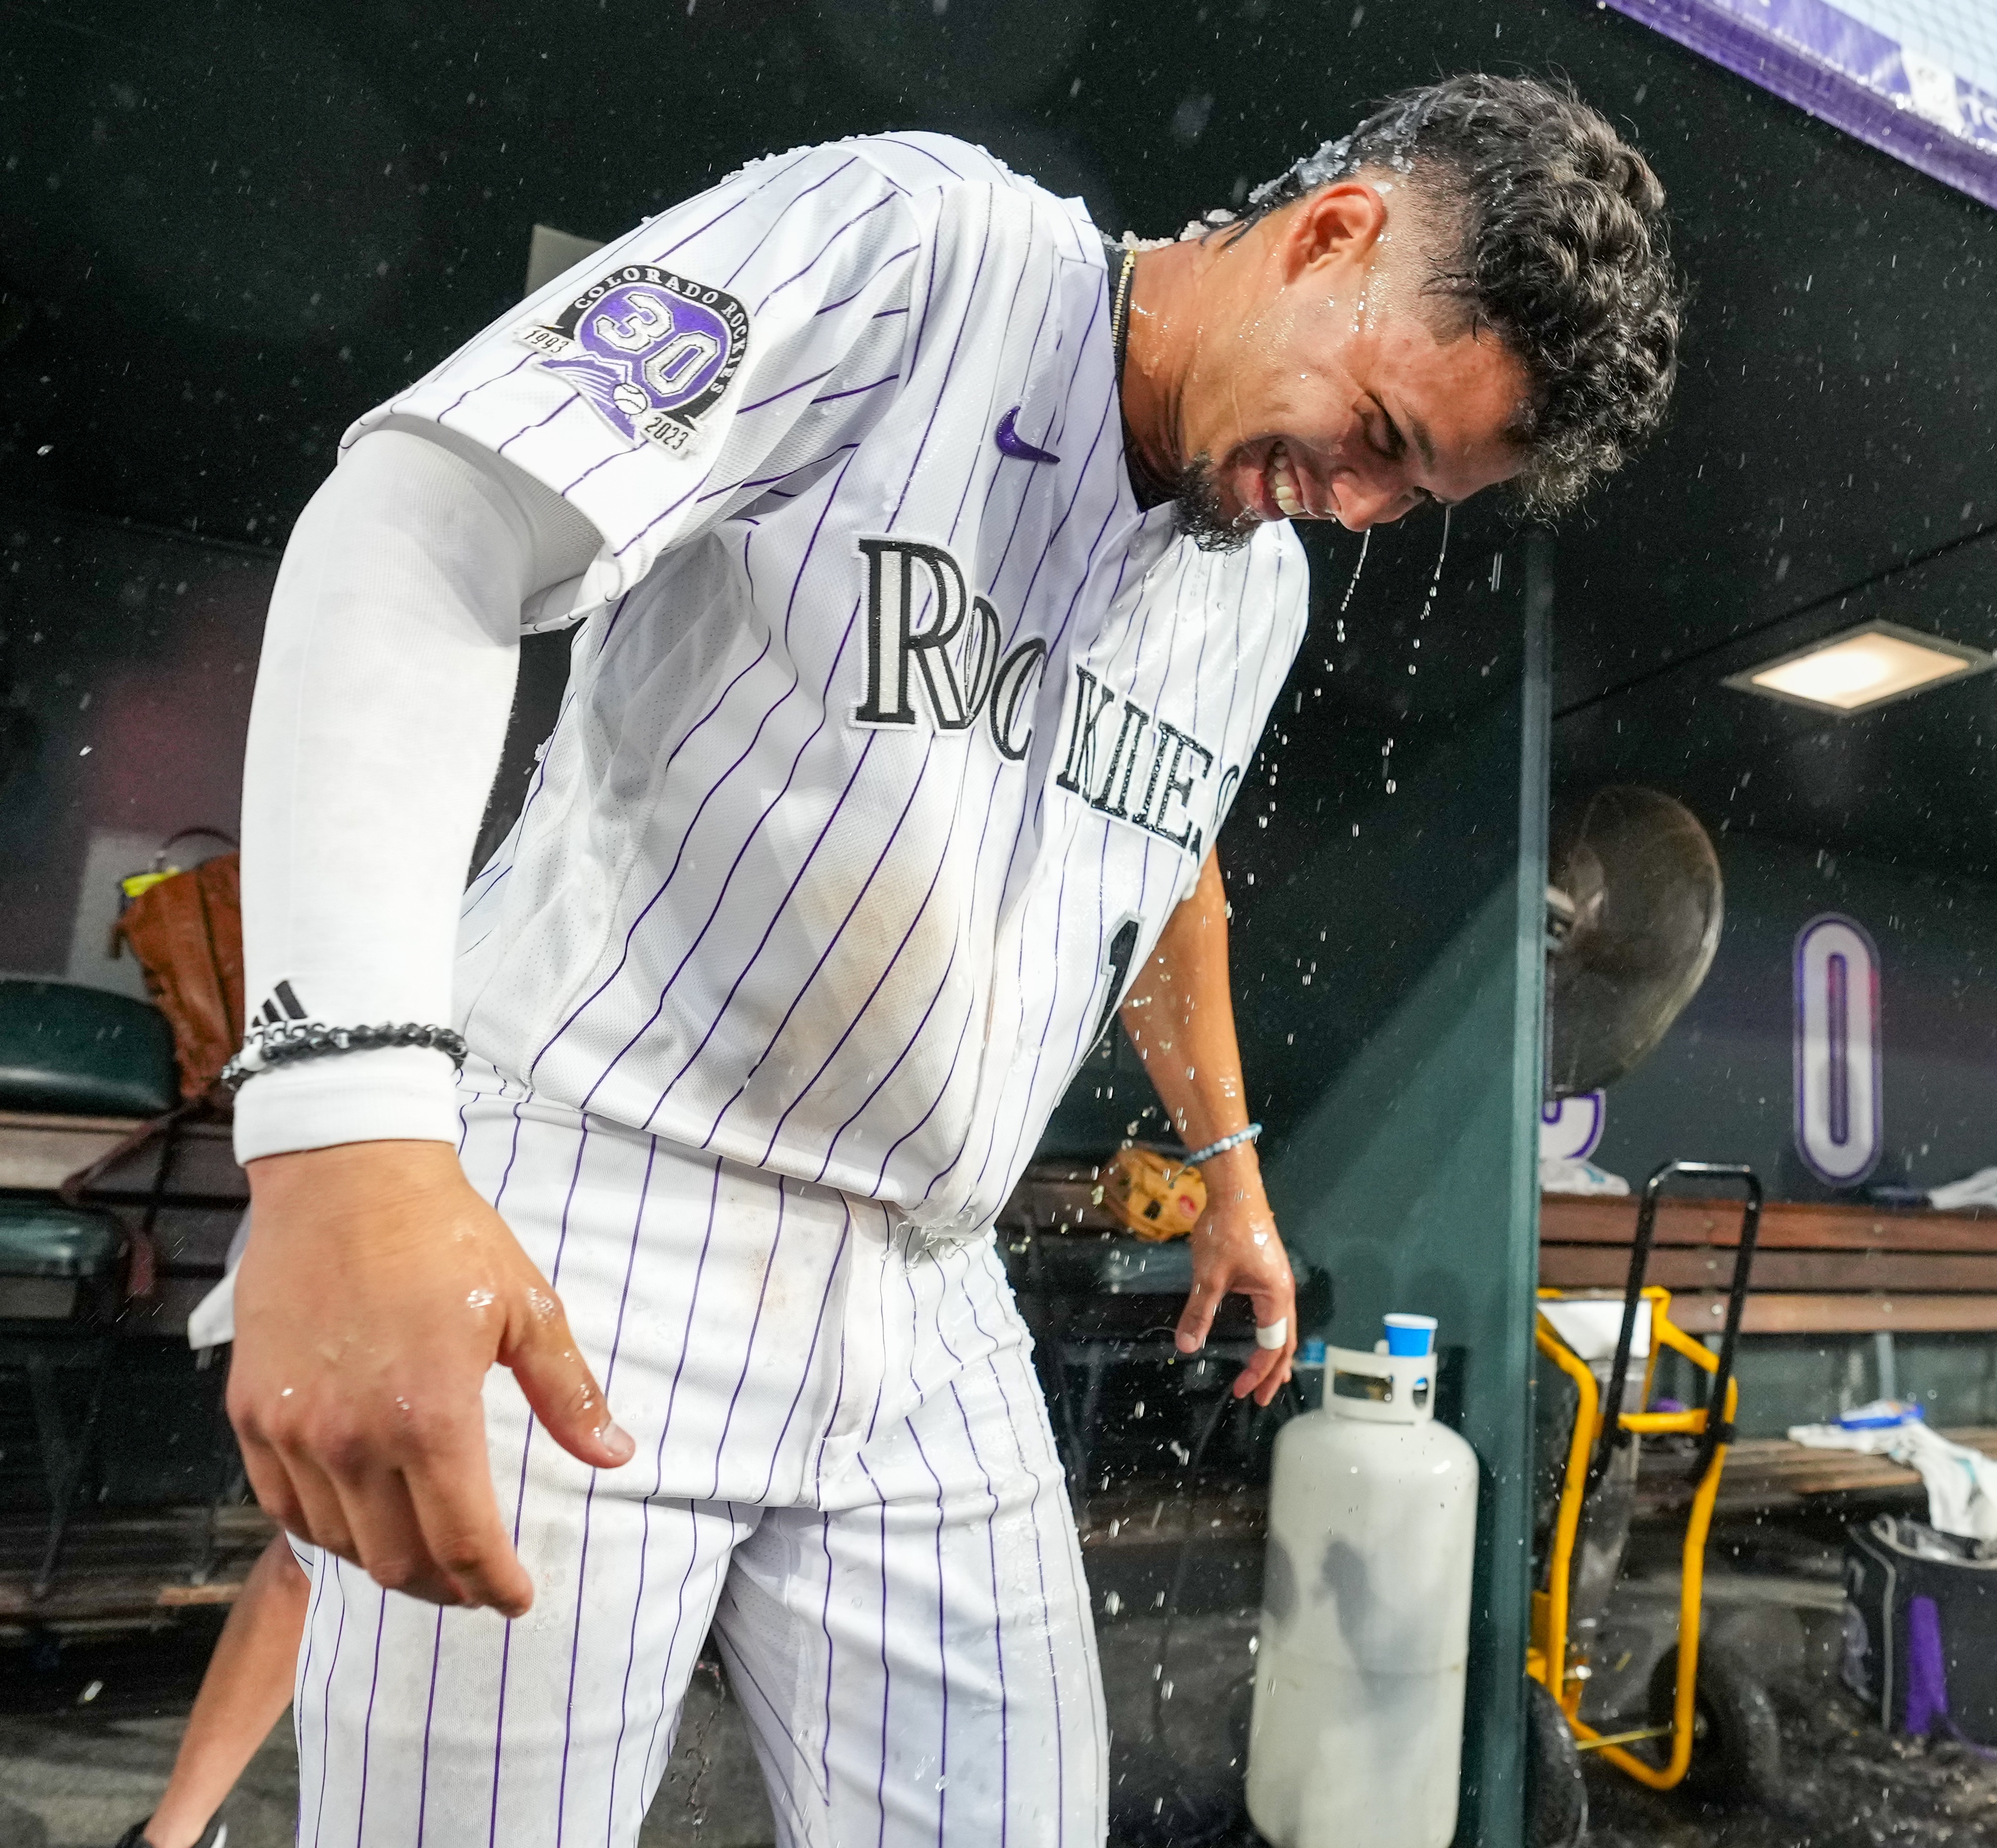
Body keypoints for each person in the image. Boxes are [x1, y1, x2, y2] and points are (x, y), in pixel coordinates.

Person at [221, 72, 1679, 1845]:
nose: (1361, 503)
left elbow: (1159, 868)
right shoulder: (921, 242)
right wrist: (349, 1139)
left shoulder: (1257, 582)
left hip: (925, 1283)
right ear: (1334, 232)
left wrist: (1229, 1175)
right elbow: (427, 523)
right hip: (599, 1198)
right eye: (1379, 430)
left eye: (1417, 491)